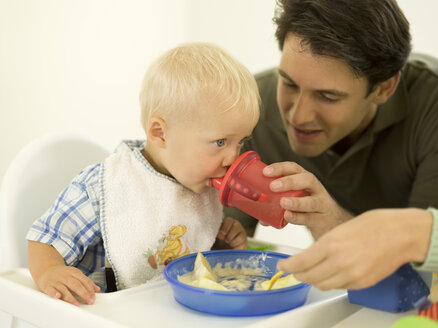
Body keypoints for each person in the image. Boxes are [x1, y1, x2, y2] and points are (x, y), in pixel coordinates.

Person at [224, 0, 438, 291]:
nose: (297, 116)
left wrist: (335, 223)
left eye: (327, 96)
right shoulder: (250, 109)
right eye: (288, 83)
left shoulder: (431, 111)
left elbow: (424, 282)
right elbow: (223, 251)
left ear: (384, 87)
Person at [26, 42, 260, 306]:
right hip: (101, 315)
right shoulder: (106, 186)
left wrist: (224, 242)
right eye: (220, 142)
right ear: (160, 133)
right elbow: (44, 239)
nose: (233, 158)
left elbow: (194, 255)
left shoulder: (198, 183)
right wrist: (50, 272)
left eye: (240, 142)